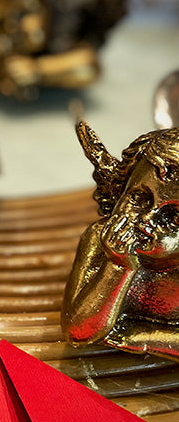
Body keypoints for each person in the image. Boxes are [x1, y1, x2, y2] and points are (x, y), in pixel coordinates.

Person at [62, 121, 179, 361]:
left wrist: (135, 337)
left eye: (172, 217)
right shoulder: (100, 239)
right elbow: (77, 331)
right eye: (139, 198)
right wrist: (118, 266)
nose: (146, 219)